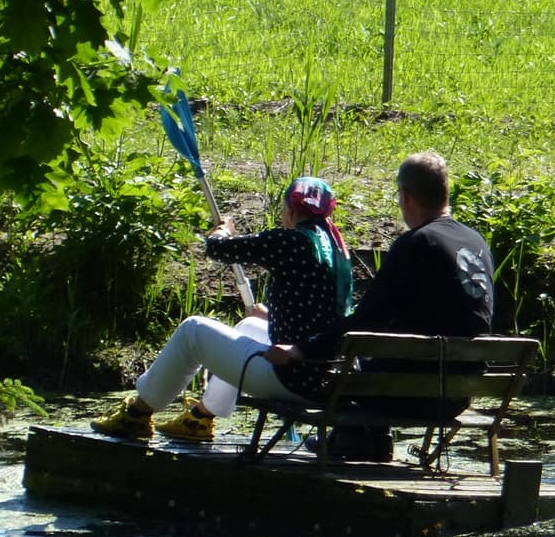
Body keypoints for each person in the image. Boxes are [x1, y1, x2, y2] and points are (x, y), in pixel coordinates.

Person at [264, 150, 495, 458]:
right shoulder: (475, 242)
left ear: (406, 195)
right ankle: (362, 439)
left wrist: (302, 349)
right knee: (382, 356)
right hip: (459, 394)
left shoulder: (416, 243)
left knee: (353, 367)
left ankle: (356, 438)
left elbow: (366, 319)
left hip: (410, 393)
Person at [90, 176, 353, 441]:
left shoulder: (292, 241)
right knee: (249, 327)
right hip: (322, 375)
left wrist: (223, 230)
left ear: (291, 211)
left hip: (291, 376)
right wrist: (272, 316)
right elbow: (321, 315)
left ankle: (136, 414)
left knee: (193, 330)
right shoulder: (337, 249)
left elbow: (218, 249)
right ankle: (200, 418)